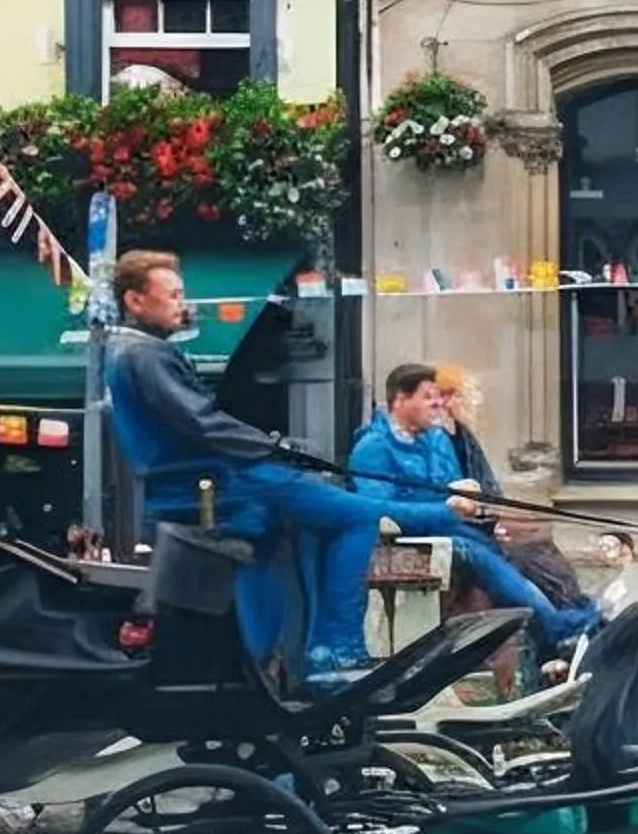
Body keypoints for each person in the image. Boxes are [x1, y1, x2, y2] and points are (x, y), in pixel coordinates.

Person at [105, 250, 519, 694]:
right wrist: (272, 449)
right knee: (355, 514)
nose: (182, 304)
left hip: (205, 483)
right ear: (135, 300)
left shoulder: (129, 352)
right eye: (172, 295)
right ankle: (335, 650)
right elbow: (200, 422)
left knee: (302, 535)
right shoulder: (144, 355)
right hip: (229, 482)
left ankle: (279, 662)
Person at [343, 365, 595, 651]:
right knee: (476, 551)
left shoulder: (436, 439)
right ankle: (555, 625)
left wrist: (469, 498)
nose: (437, 404)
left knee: (528, 550)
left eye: (438, 396)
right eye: (428, 397)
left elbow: (454, 488)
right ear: (400, 400)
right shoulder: (373, 447)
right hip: (404, 538)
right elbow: (379, 511)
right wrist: (446, 508)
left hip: (452, 526)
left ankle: (565, 621)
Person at [436, 363, 587, 606]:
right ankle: (560, 617)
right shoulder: (436, 442)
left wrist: (494, 518)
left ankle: (573, 608)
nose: (477, 402)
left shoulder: (465, 438)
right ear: (447, 399)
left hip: (483, 526)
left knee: (542, 551)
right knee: (529, 559)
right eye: (469, 394)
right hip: (464, 533)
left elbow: (489, 491)